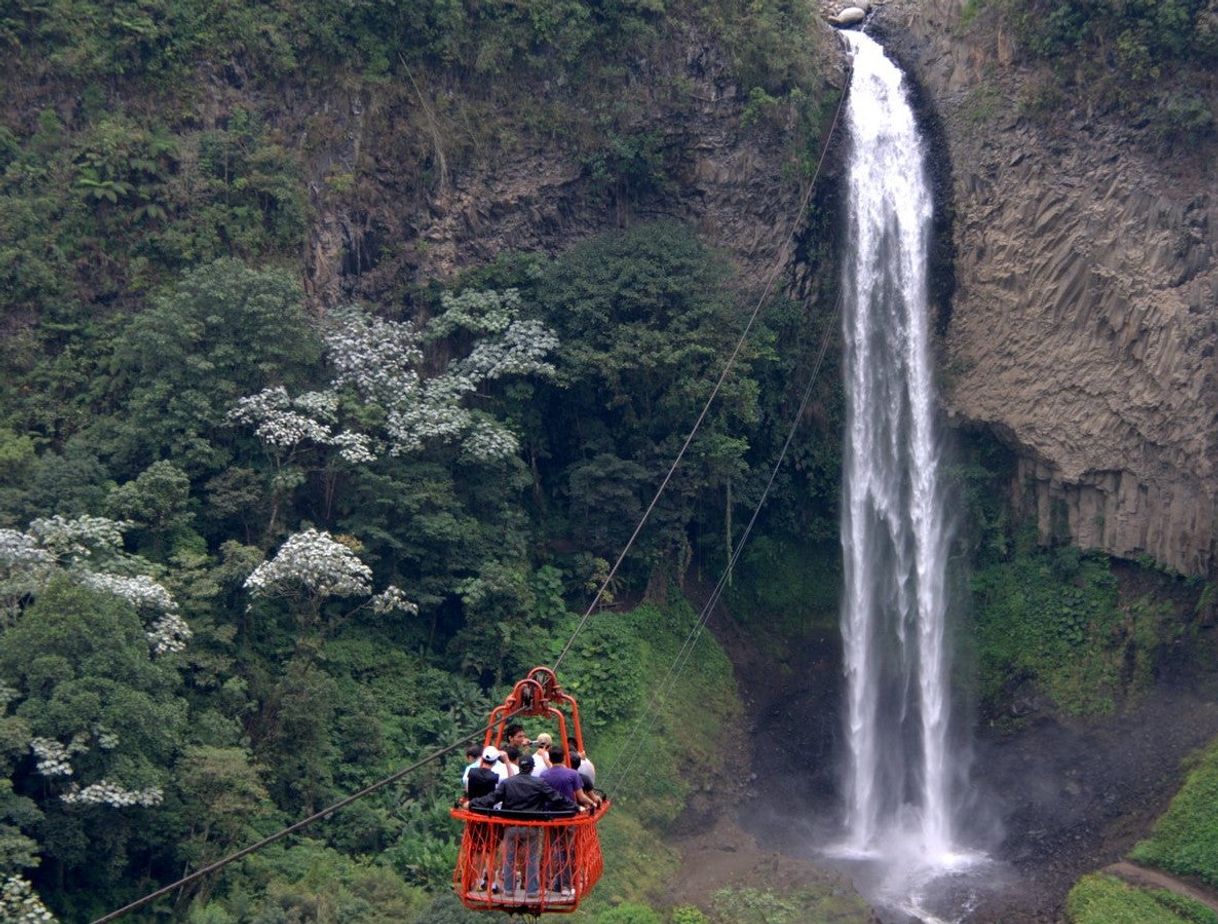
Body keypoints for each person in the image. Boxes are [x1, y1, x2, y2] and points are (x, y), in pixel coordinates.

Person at [470, 756, 580, 897]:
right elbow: (556, 797)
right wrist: (574, 806)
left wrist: (473, 803)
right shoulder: (539, 783)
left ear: (520, 767)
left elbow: (492, 798)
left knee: (509, 858)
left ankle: (509, 890)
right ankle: (532, 890)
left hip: (511, 826)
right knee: (532, 858)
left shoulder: (508, 783)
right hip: (531, 827)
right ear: (532, 768)